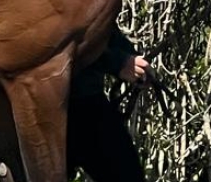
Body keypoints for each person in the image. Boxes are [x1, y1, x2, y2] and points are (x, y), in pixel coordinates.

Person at [65, 24, 151, 182]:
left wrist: (130, 56)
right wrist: (119, 62)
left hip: (87, 104)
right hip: (49, 109)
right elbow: (55, 41)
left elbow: (100, 25)